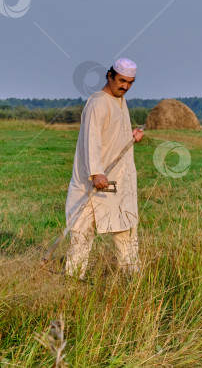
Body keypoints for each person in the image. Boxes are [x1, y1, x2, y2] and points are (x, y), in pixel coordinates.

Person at [64, 57, 144, 278]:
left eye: (130, 82)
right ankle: (73, 281)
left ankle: (132, 279)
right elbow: (92, 139)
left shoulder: (121, 101)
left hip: (118, 180)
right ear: (109, 76)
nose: (125, 86)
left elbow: (112, 136)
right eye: (121, 81)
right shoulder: (98, 102)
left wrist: (131, 137)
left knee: (126, 229)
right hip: (93, 182)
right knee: (82, 233)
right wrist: (96, 172)